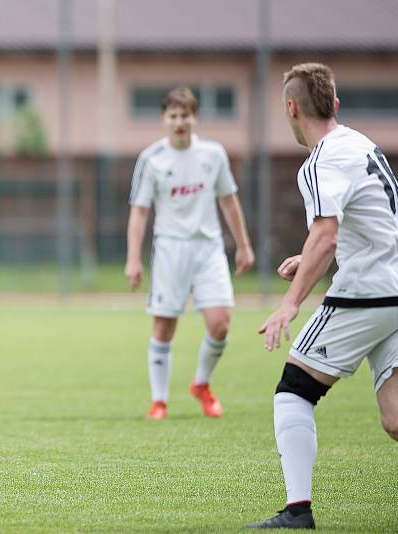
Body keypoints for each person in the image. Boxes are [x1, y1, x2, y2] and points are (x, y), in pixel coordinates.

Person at [246, 63, 398, 529]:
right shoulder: (361, 144)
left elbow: (325, 233)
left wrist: (290, 303)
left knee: (294, 391)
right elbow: (368, 224)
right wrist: (307, 260)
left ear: (291, 108)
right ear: (335, 104)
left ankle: (297, 511)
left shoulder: (320, 161)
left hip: (369, 294)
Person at [125, 86, 255, 420]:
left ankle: (201, 384)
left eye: (185, 115)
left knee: (220, 323)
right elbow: (139, 211)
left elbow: (228, 200)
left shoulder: (213, 154)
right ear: (163, 119)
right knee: (165, 326)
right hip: (170, 248)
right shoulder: (152, 159)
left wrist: (243, 245)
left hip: (209, 248)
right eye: (173, 116)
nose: (179, 122)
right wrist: (134, 258)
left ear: (195, 117)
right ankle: (159, 401)